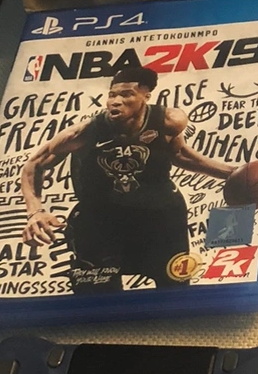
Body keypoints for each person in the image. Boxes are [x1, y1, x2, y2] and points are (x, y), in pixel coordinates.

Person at [21, 65, 231, 292]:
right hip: (102, 221)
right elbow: (34, 164)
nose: (116, 101)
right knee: (97, 298)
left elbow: (179, 154)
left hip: (159, 217)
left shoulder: (167, 121)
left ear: (145, 97)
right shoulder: (83, 133)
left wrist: (232, 173)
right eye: (112, 95)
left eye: (126, 94)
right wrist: (35, 211)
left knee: (175, 291)